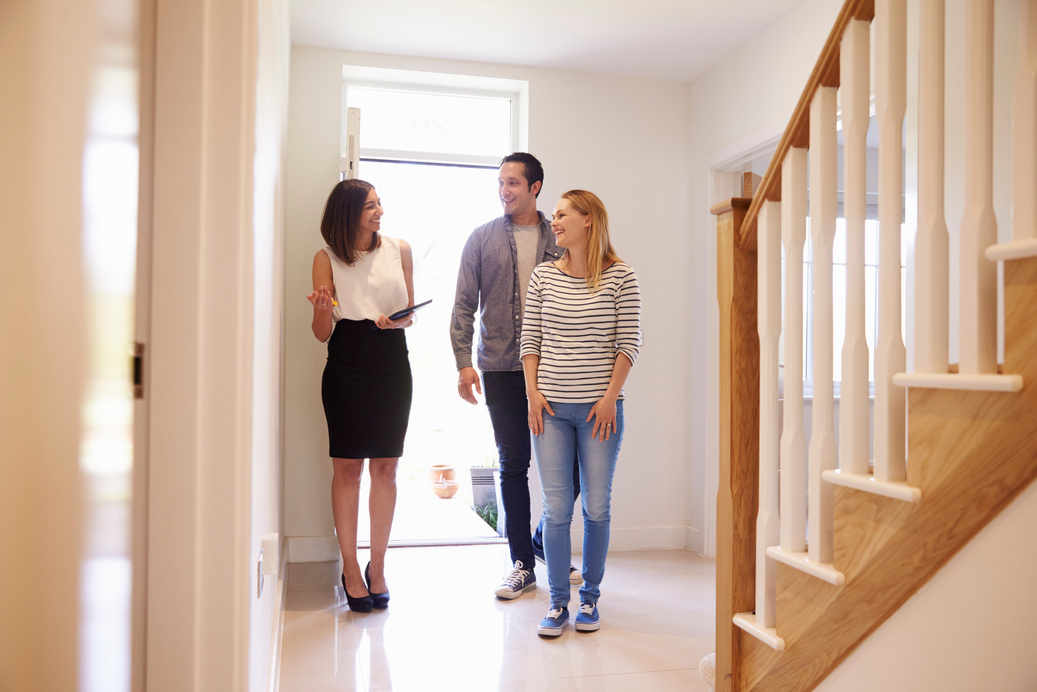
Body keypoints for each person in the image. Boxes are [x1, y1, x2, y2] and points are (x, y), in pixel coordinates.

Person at [450, 152, 582, 600]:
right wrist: (463, 361)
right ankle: (522, 563)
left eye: (513, 184)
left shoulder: (562, 238)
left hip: (559, 367)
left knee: (571, 467)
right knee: (513, 464)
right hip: (502, 368)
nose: (504, 191)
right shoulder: (481, 239)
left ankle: (544, 537)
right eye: (501, 183)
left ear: (535, 187)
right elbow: (464, 305)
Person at [520, 189, 642, 636]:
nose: (554, 222)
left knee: (596, 506)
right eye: (553, 215)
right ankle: (557, 604)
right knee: (555, 510)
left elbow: (628, 342)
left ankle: (589, 599)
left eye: (562, 214)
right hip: (548, 410)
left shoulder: (620, 276)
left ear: (588, 220)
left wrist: (609, 398)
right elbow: (529, 340)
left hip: (599, 414)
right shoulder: (543, 278)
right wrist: (532, 393)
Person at [307, 179, 415, 612]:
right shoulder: (325, 258)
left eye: (379, 204)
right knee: (348, 467)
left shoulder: (399, 249)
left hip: (392, 357)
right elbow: (321, 334)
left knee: (386, 467)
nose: (380, 211)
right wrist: (319, 308)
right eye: (370, 206)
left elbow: (409, 317)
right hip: (347, 359)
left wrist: (398, 322)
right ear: (348, 213)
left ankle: (378, 566)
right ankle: (350, 567)